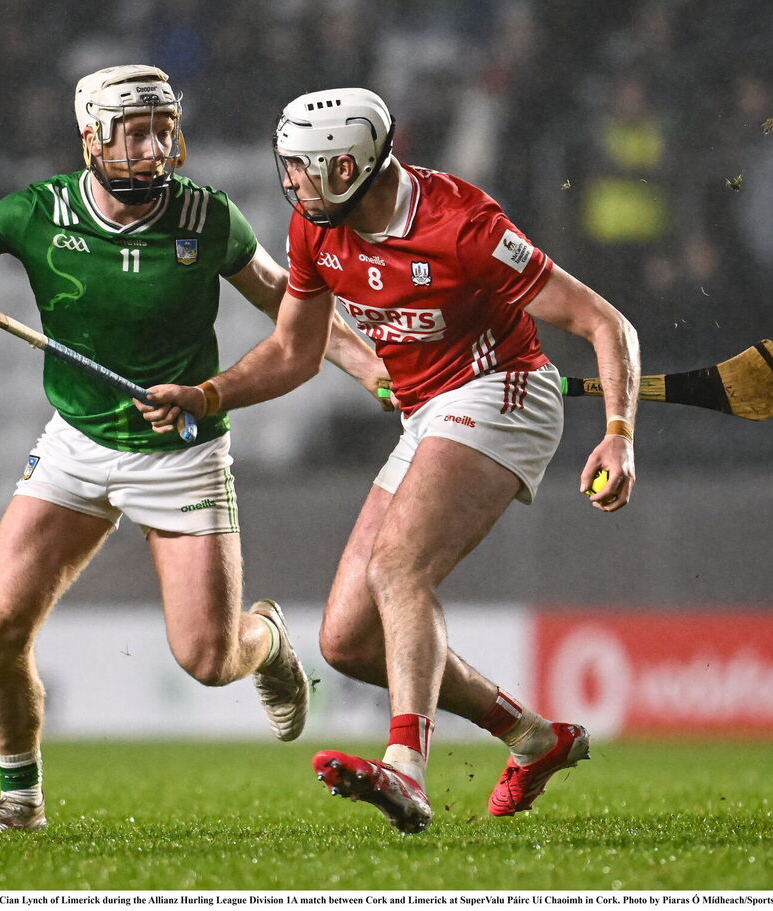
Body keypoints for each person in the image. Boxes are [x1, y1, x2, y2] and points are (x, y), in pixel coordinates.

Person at [0, 66, 390, 833]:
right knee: (1, 622)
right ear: (93, 138)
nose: (158, 145)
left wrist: (378, 372)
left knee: (207, 659)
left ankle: (265, 641)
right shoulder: (39, 212)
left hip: (183, 452)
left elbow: (294, 312)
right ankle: (19, 800)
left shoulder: (207, 217)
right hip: (76, 444)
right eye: (137, 131)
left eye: (165, 127)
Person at [139, 87, 640, 834]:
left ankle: (406, 769)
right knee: (345, 639)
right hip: (428, 411)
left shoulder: (464, 225)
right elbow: (294, 352)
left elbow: (605, 320)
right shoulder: (315, 227)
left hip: (505, 391)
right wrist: (208, 395)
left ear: (349, 165)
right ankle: (533, 737)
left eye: (305, 169)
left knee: (399, 568)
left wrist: (620, 432)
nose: (292, 183)